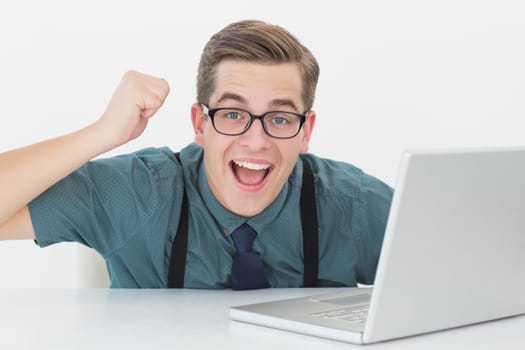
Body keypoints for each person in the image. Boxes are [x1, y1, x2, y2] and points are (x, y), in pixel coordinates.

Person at [0, 20, 393, 288]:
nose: (256, 141)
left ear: (305, 131)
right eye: (233, 113)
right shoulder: (141, 194)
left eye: (279, 117)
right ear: (200, 124)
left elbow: (450, 273)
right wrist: (102, 133)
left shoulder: (351, 205)